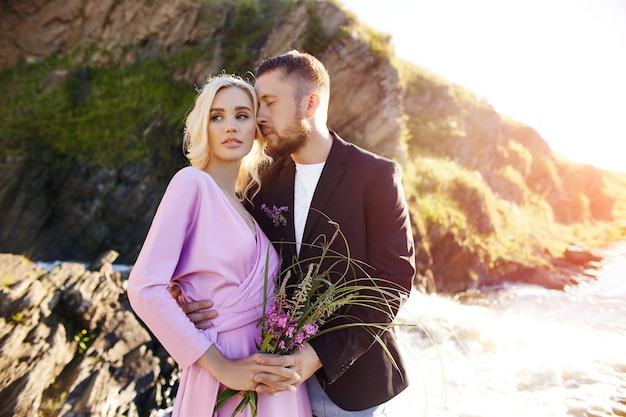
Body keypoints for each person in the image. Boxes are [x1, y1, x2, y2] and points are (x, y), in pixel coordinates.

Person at [180, 50, 416, 416]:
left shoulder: (376, 176)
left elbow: (392, 284)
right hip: (270, 381)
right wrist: (188, 299)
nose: (259, 118)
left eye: (269, 103)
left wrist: (317, 356)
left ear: (310, 104)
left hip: (352, 384)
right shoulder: (259, 185)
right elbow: (237, 263)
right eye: (257, 106)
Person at [127, 74, 312, 417]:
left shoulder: (249, 208)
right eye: (217, 116)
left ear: (256, 128)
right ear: (204, 127)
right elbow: (143, 287)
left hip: (270, 376)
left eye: (242, 115)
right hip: (224, 373)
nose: (230, 126)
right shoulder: (191, 184)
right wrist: (223, 367)